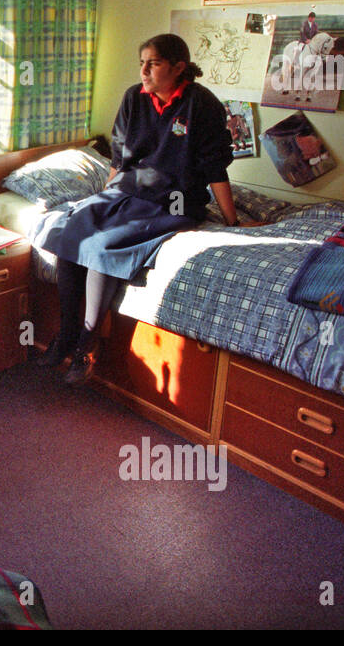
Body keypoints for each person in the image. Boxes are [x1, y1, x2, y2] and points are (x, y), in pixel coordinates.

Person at [36, 34, 238, 385]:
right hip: (126, 191)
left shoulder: (201, 105)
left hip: (172, 201)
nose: (143, 70)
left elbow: (214, 167)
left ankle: (87, 343)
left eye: (153, 63)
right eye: (141, 62)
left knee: (102, 246)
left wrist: (233, 221)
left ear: (178, 68)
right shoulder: (134, 97)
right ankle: (66, 333)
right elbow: (118, 156)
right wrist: (100, 200)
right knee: (72, 231)